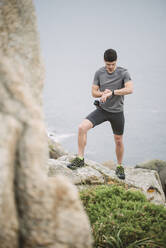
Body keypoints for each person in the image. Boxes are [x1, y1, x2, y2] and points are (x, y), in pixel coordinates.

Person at [67, 48, 133, 179]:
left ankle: (119, 166)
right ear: (104, 61)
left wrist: (112, 92)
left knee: (118, 140)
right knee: (81, 128)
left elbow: (130, 89)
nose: (110, 67)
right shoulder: (99, 73)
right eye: (108, 64)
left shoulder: (123, 73)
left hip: (117, 112)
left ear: (116, 62)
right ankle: (80, 159)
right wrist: (102, 93)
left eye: (113, 64)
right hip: (102, 110)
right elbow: (93, 93)